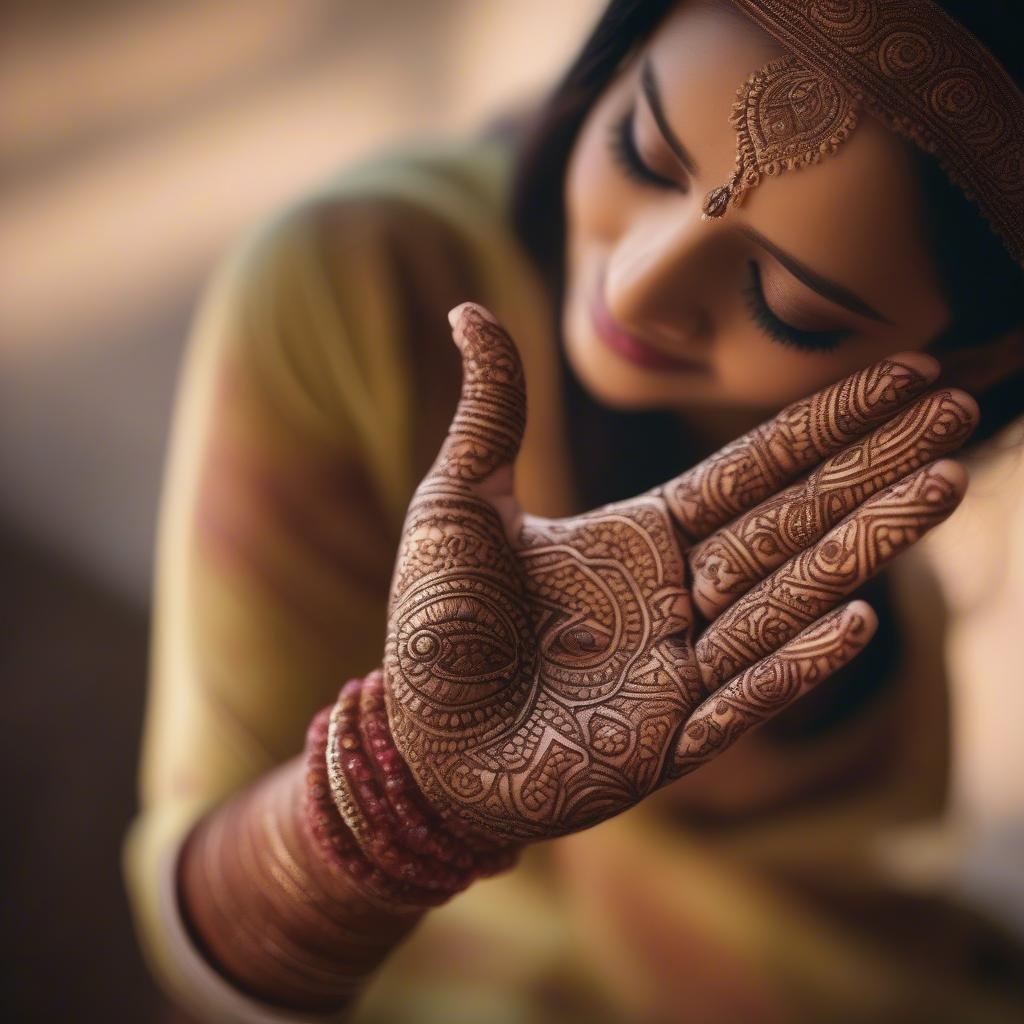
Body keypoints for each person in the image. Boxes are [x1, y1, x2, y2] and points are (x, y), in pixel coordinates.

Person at [123, 1, 1024, 1020]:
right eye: (641, 154)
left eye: (790, 306)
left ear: (974, 361)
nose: (636, 288)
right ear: (616, 53)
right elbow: (192, 942)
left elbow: (848, 913)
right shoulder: (357, 281)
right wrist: (410, 795)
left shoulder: (856, 491)